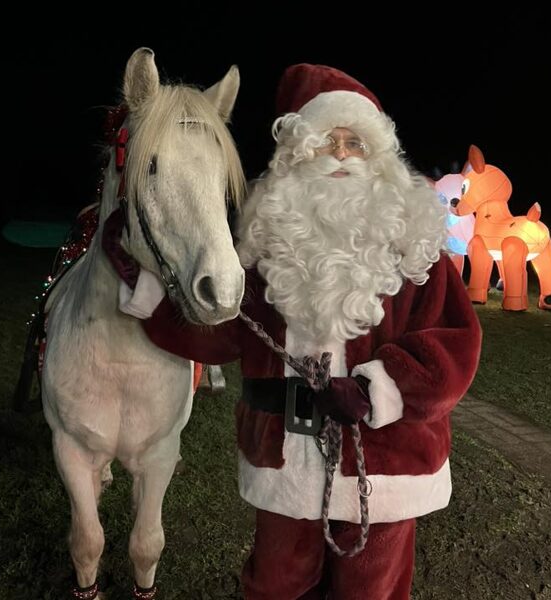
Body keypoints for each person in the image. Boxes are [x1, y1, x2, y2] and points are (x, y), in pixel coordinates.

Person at [117, 63, 482, 600]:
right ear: (297, 156)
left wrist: (379, 388)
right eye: (326, 142)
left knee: (371, 590)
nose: (341, 154)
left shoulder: (416, 248)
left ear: (378, 157)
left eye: (355, 143)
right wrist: (149, 294)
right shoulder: (266, 247)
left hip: (386, 464)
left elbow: (455, 341)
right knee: (276, 584)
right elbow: (221, 332)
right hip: (284, 461)